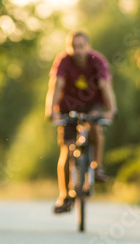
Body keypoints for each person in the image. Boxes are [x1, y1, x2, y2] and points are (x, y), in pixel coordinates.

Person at [45, 30, 117, 214]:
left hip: (93, 104)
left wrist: (111, 110)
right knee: (67, 150)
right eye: (73, 47)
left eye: (81, 46)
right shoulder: (63, 61)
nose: (77, 51)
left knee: (95, 127)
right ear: (68, 47)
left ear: (88, 46)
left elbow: (105, 86)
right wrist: (50, 110)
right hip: (68, 106)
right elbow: (56, 85)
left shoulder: (97, 60)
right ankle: (64, 195)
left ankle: (97, 167)